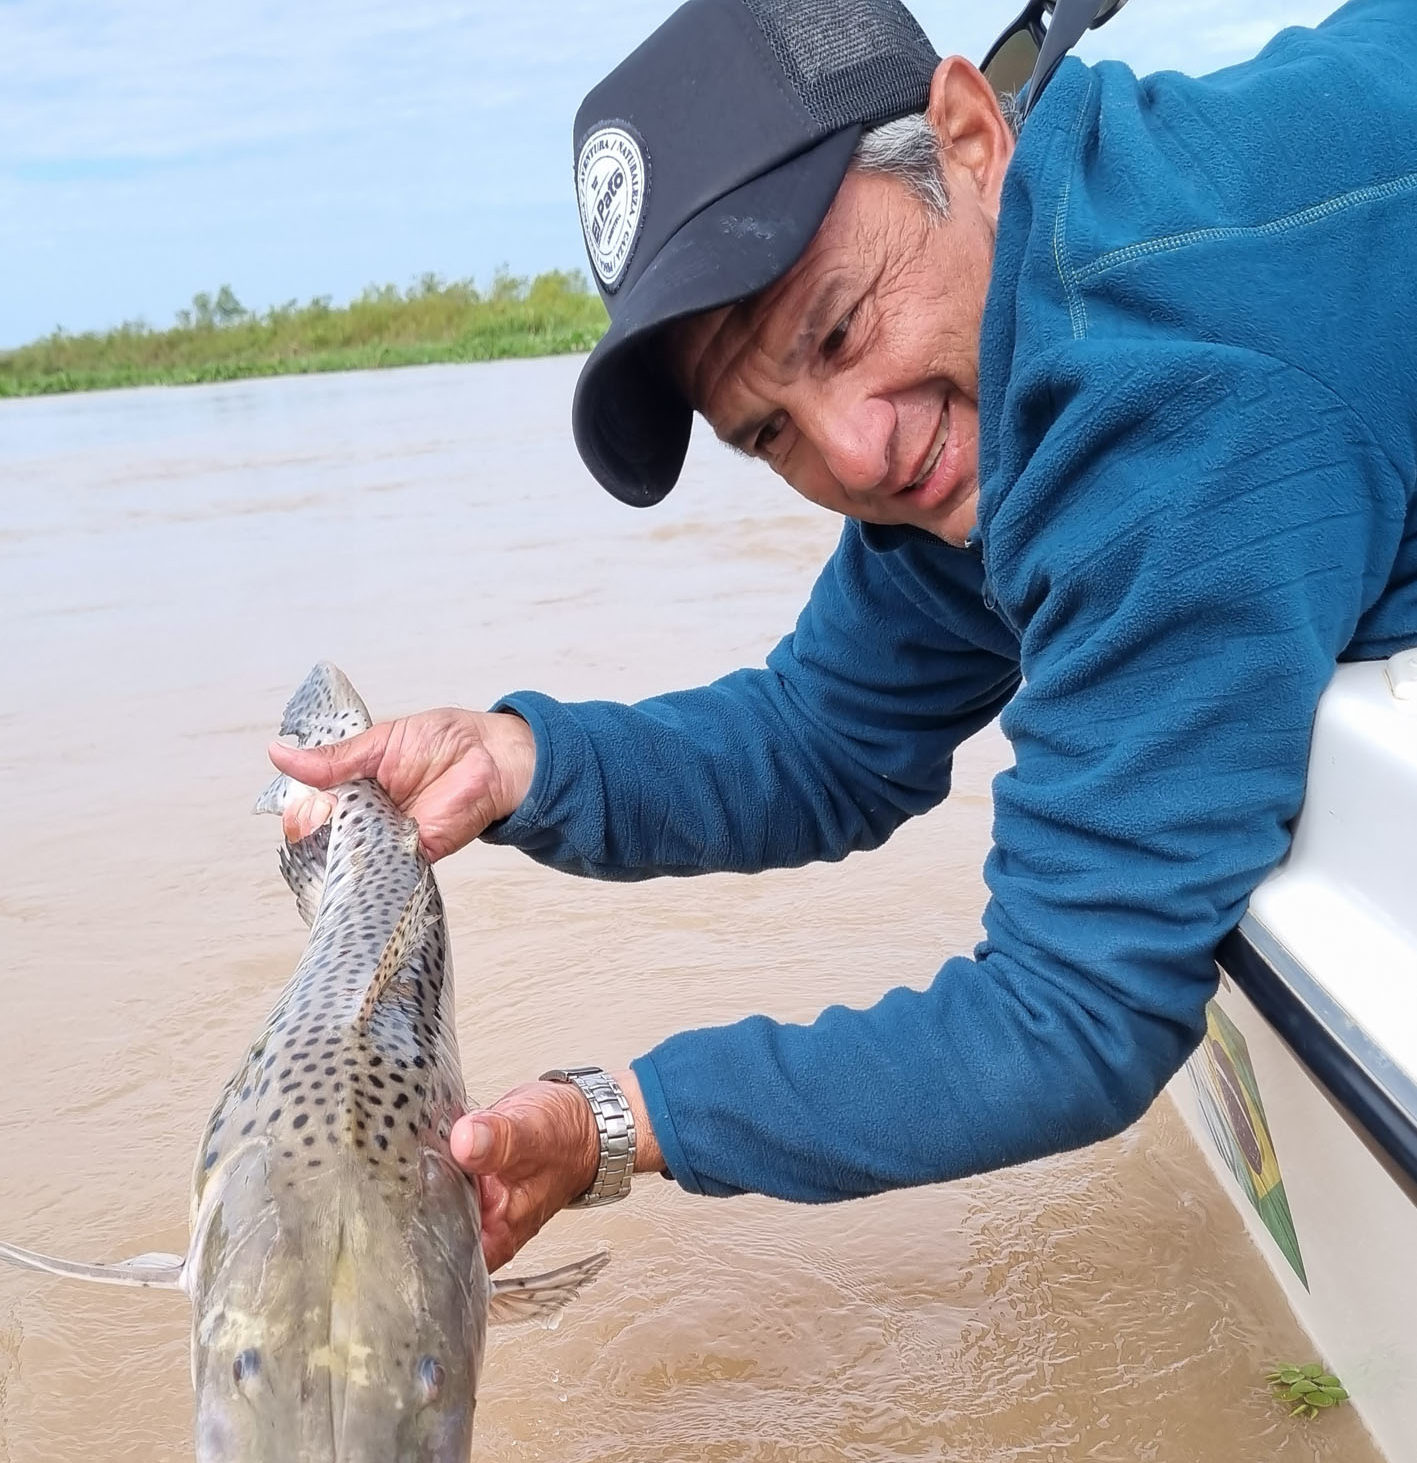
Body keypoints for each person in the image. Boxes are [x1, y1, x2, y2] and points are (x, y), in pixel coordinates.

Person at [270, 0, 1417, 1275]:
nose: (856, 452)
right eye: (768, 433)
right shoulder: (998, 341)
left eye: (838, 328)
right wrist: (517, 763)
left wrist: (620, 1122)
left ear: (971, 135)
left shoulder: (1150, 424)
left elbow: (1066, 1015)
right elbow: (827, 736)